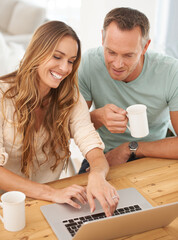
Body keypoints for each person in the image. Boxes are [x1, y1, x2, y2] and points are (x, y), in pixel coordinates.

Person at [0, 20, 119, 217]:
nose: (64, 68)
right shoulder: (3, 96)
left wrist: (97, 174)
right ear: (37, 52)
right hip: (7, 206)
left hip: (49, 203)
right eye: (57, 57)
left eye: (71, 61)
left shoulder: (70, 97)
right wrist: (51, 193)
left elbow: (93, 148)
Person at [78, 7, 178, 173]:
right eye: (111, 52)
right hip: (103, 157)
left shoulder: (171, 72)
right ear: (102, 38)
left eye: (128, 55)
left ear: (145, 47)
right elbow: (68, 129)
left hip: (154, 155)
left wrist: (130, 148)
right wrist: (98, 117)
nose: (117, 64)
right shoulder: (89, 64)